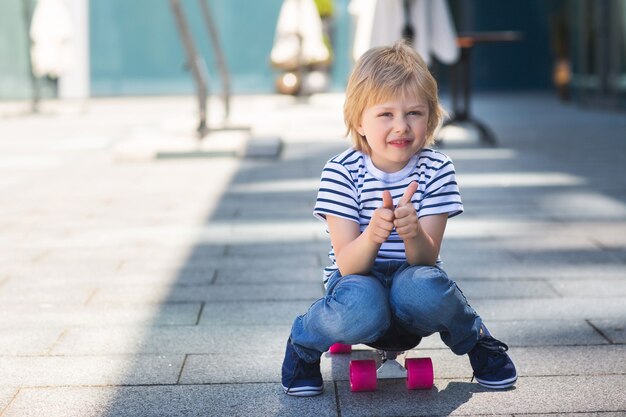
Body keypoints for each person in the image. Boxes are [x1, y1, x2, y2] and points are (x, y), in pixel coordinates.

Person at [281, 40, 517, 397]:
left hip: (413, 282)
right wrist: (373, 235)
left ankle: (477, 339)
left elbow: (426, 258)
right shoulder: (341, 172)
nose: (401, 127)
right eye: (385, 114)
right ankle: (302, 345)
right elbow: (348, 264)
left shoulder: (437, 168)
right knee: (361, 303)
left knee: (426, 288)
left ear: (431, 117)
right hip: (357, 283)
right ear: (359, 121)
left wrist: (412, 233)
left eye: (414, 113)